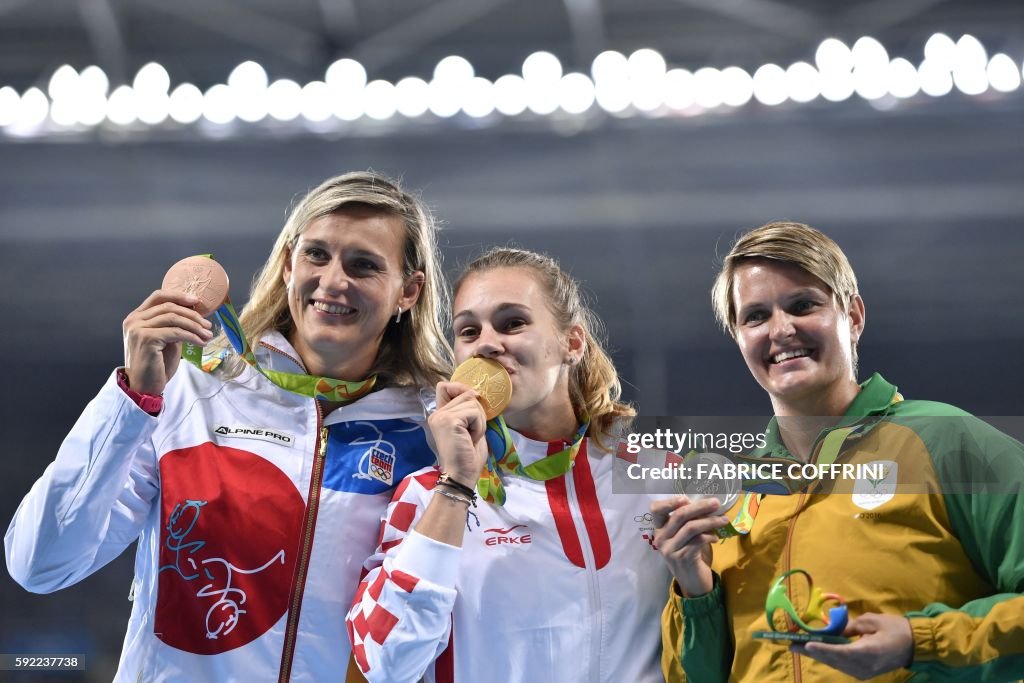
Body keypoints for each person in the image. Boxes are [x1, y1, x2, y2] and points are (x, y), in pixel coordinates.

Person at [5, 171, 453, 681]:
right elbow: (41, 564)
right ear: (288, 264)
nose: (333, 282)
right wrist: (131, 400)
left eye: (364, 265)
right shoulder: (192, 392)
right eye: (316, 255)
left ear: (409, 291)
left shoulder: (437, 433)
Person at [656, 221, 1024, 682]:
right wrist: (695, 588)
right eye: (755, 316)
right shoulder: (732, 494)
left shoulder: (943, 439)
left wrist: (920, 641)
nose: (781, 329)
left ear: (853, 316)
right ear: (739, 338)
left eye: (802, 305)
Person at [346, 247, 670, 682]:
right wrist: (458, 485)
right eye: (468, 331)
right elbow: (384, 665)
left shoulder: (660, 474)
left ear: (571, 343)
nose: (487, 344)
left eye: (512, 322)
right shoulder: (427, 495)